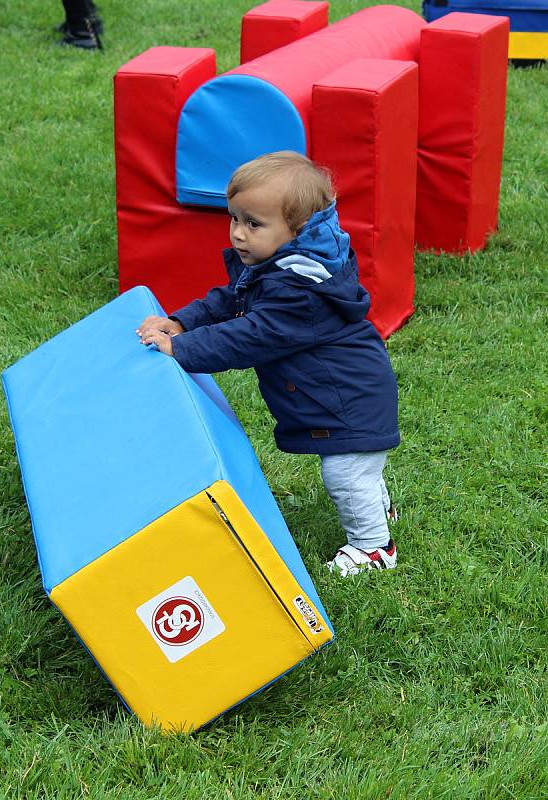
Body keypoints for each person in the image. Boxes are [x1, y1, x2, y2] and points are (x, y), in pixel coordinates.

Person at [136, 151, 400, 576]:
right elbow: (230, 300)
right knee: (357, 471)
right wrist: (183, 323)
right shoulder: (276, 265)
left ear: (296, 230)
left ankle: (374, 549)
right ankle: (377, 508)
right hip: (342, 394)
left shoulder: (299, 291)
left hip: (350, 401)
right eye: (234, 219)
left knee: (347, 473)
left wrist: (182, 350)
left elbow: (251, 336)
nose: (238, 234)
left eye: (253, 224)